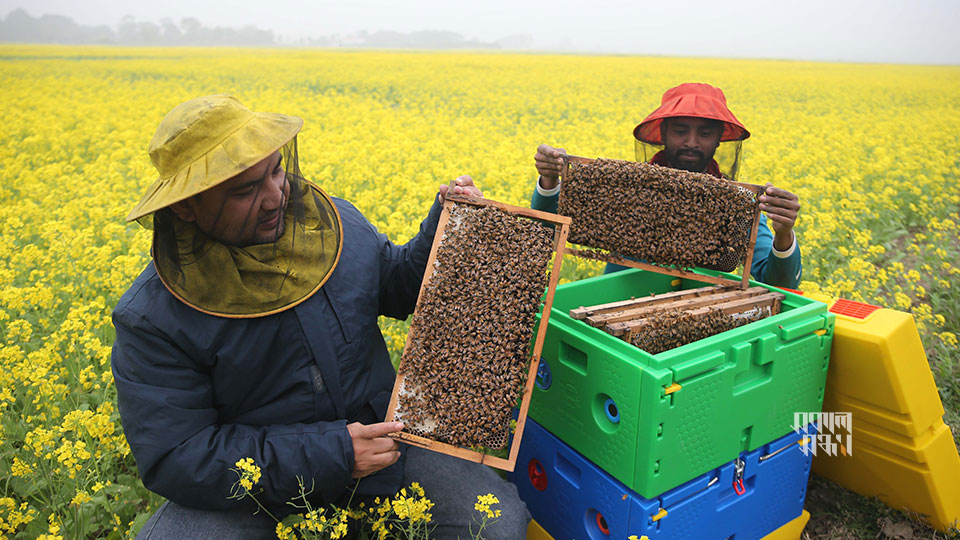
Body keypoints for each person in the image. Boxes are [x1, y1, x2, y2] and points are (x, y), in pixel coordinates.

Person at [111, 95, 529, 539]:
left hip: (384, 450)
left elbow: (397, 286)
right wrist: (334, 453)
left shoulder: (334, 224)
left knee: (496, 524)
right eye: (244, 190)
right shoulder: (151, 318)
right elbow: (180, 456)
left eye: (275, 170)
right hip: (256, 490)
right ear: (186, 207)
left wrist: (445, 225)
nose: (275, 196)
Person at [532, 82, 803, 288]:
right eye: (681, 131)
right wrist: (550, 180)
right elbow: (548, 233)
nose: (692, 142)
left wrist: (784, 233)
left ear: (719, 139)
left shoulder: (737, 206)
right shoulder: (625, 188)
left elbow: (778, 283)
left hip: (700, 316)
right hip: (617, 301)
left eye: (705, 133)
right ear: (663, 134)